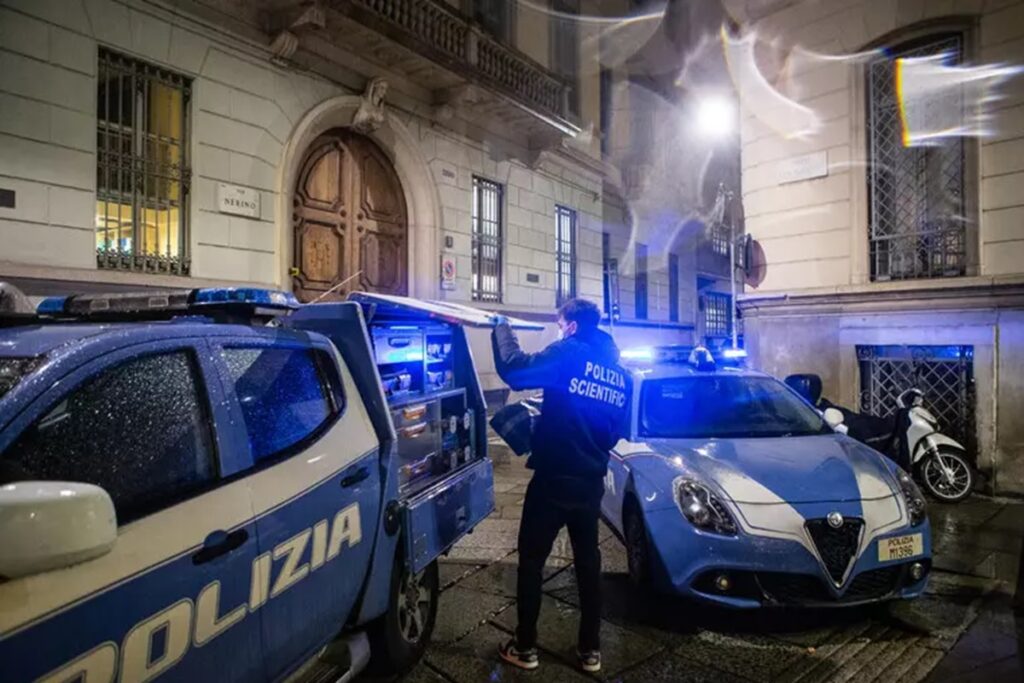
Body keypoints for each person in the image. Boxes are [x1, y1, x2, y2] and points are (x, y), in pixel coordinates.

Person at [491, 298, 630, 674]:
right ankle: (590, 651)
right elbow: (617, 432)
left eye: (559, 323)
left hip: (553, 479)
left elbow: (515, 371)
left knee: (532, 563)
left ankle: (525, 647)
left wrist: (501, 328)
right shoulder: (620, 374)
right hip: (590, 484)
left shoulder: (569, 353)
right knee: (588, 565)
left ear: (569, 325)